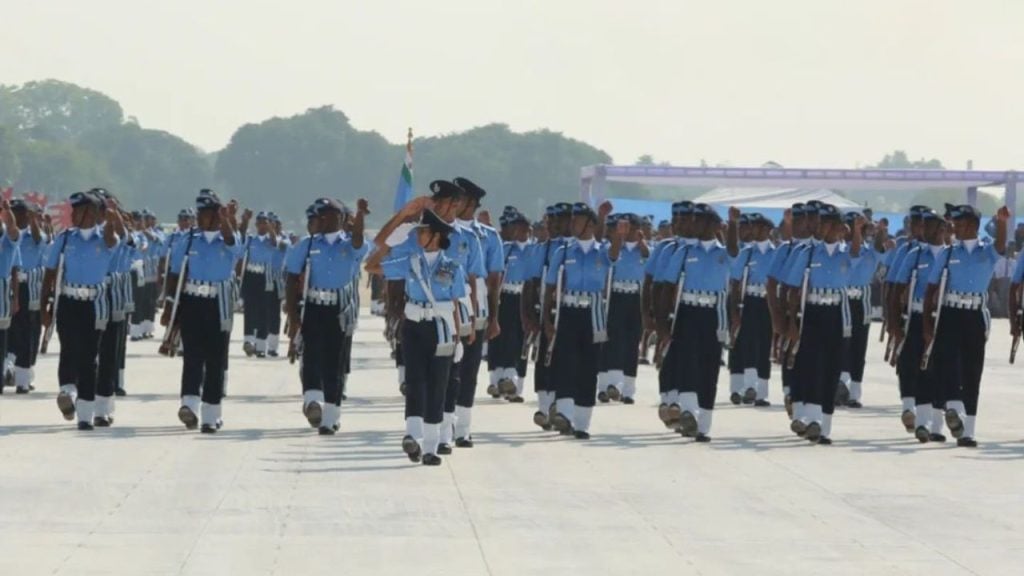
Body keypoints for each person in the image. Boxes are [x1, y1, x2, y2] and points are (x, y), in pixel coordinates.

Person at [368, 192, 468, 466]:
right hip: (413, 326)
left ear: (435, 235)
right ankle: (413, 437)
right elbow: (371, 265)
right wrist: (396, 234)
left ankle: (431, 447)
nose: (418, 235)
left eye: (423, 231)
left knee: (438, 384)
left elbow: (456, 303)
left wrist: (458, 338)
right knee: (415, 381)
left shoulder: (452, 267)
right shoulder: (409, 260)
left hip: (442, 328)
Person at [923, 204, 1009, 448]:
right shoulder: (948, 253)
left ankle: (967, 430)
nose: (954, 227)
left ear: (972, 225)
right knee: (946, 364)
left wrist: (1002, 222)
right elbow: (931, 290)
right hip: (950, 313)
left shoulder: (987, 251)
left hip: (975, 316)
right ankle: (947, 415)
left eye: (959, 224)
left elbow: (1001, 245)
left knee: (973, 370)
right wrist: (928, 324)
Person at [655, 204, 739, 441]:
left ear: (713, 225)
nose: (693, 225)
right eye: (693, 220)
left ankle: (703, 425)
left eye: (699, 221)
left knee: (709, 367)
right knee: (688, 362)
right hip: (688, 312)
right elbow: (667, 287)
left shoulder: (723, 252)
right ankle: (689, 413)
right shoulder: (683, 251)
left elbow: (734, 252)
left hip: (714, 314)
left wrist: (733, 224)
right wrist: (662, 324)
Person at [782, 204, 864, 445]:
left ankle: (824, 426)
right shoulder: (806, 253)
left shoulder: (843, 253)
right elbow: (793, 290)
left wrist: (856, 230)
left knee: (831, 369)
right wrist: (792, 322)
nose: (822, 226)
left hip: (837, 314)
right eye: (820, 222)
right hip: (812, 313)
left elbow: (857, 254)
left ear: (839, 227)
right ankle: (810, 418)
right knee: (811, 366)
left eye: (828, 222)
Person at [285, 198, 368, 434]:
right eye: (318, 215)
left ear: (340, 218)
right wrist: (292, 315)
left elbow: (360, 242)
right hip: (313, 306)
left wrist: (360, 216)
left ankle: (331, 417)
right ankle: (313, 401)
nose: (320, 219)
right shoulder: (307, 244)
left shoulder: (349, 244)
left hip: (339, 309)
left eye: (326, 215)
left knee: (335, 362)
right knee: (311, 356)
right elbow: (292, 278)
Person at [542, 202, 624, 439]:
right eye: (572, 220)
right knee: (566, 364)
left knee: (589, 366)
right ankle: (564, 415)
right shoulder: (564, 251)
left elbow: (614, 256)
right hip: (568, 311)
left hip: (594, 313)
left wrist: (618, 235)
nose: (572, 224)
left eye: (578, 220)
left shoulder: (603, 250)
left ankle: (582, 422)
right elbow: (549, 287)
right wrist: (547, 319)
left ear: (590, 224)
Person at [161, 190, 240, 433]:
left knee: (215, 359)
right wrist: (169, 306)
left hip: (218, 303)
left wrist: (226, 219)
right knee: (192, 355)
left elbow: (233, 246)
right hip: (192, 302)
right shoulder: (187, 240)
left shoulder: (229, 238)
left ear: (216, 214)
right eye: (199, 214)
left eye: (206, 214)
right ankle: (189, 404)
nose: (201, 218)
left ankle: (211, 414)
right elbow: (174, 274)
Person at [42, 192, 120, 430]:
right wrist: (45, 305)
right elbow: (50, 273)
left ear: (94, 214)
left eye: (79, 211)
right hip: (68, 301)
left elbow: (111, 237)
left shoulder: (105, 238)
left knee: (88, 358)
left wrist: (111, 217)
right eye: (73, 210)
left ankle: (85, 413)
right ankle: (67, 391)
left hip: (94, 304)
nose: (73, 215)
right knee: (68, 348)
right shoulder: (65, 239)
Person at [448, 177, 502, 448]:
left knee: (469, 369)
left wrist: (494, 317)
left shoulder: (488, 236)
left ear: (470, 203)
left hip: (476, 307)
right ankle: (445, 424)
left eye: (459, 199)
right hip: (446, 305)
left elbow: (494, 280)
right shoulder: (443, 228)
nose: (454, 204)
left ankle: (463, 428)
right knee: (448, 367)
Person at [890, 208, 948, 442]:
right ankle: (918, 417)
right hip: (915, 316)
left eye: (931, 225)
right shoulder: (913, 254)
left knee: (940, 370)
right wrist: (893, 321)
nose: (925, 230)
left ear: (942, 229)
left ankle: (937, 425)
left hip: (943, 318)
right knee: (912, 363)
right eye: (923, 225)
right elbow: (897, 289)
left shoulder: (950, 253)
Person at [523, 203, 572, 430]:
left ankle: (561, 407)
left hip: (571, 312)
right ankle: (544, 407)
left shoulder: (573, 248)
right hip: (546, 311)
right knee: (544, 359)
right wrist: (528, 316)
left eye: (557, 222)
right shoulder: (539, 250)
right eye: (548, 222)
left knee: (567, 362)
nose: (552, 226)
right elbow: (530, 284)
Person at [835, 213, 887, 409]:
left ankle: (854, 393)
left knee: (859, 346)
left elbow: (881, 249)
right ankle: (841, 385)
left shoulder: (870, 251)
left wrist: (881, 230)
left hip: (861, 302)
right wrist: (857, 229)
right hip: (843, 300)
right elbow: (853, 253)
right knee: (842, 344)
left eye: (860, 228)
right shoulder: (842, 250)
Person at [728, 213, 775, 407]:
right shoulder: (746, 252)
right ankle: (748, 387)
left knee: (765, 345)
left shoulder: (776, 253)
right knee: (746, 343)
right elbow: (736, 281)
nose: (752, 230)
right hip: (749, 302)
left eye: (756, 227)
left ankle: (761, 392)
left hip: (769, 303)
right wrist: (735, 311)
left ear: (766, 230)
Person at [600, 213, 648, 404]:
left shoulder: (643, 248)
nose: (628, 231)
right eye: (625, 227)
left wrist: (641, 242)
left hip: (635, 297)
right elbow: (610, 257)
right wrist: (618, 238)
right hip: (616, 296)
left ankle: (628, 390)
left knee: (631, 342)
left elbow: (648, 257)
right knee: (612, 341)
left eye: (632, 228)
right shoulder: (613, 246)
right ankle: (607, 386)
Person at [487, 210, 532, 402]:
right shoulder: (505, 249)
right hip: (506, 297)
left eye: (520, 227)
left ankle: (515, 385)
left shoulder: (534, 250)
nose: (516, 231)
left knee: (521, 339)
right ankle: (499, 379)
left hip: (525, 296)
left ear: (527, 229)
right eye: (513, 227)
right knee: (502, 338)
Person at [7, 199, 47, 394]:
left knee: (28, 332)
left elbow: (40, 238)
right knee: (9, 330)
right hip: (8, 287)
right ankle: (9, 367)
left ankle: (23, 378)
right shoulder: (7, 234)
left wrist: (34, 221)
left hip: (29, 289)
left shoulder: (35, 236)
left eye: (17, 213)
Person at [239, 210, 279, 357]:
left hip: (265, 277)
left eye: (265, 222)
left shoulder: (271, 240)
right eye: (260, 222)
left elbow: (275, 243)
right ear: (256, 224)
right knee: (250, 309)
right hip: (251, 275)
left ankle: (261, 345)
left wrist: (271, 230)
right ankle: (248, 341)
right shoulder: (251, 239)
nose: (262, 225)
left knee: (263, 311)